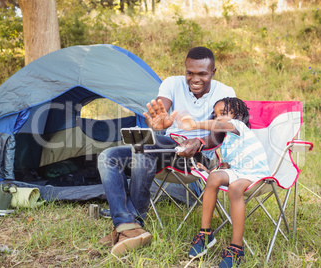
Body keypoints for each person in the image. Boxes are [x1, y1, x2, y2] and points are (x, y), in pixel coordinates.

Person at [98, 47, 236, 256]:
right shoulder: (172, 83)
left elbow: (219, 133)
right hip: (165, 145)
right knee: (108, 157)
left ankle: (131, 225)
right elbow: (158, 113)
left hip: (200, 156)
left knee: (144, 148)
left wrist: (197, 141)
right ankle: (127, 226)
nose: (194, 79)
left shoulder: (225, 93)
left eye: (202, 74)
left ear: (213, 72)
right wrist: (155, 123)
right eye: (190, 72)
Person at [176, 97, 270, 267]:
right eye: (216, 114)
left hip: (255, 174)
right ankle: (205, 234)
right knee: (214, 177)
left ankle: (236, 248)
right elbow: (226, 167)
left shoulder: (238, 126)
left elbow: (219, 126)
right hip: (238, 172)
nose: (219, 118)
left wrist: (194, 125)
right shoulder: (226, 143)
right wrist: (210, 171)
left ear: (238, 116)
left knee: (235, 188)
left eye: (224, 114)